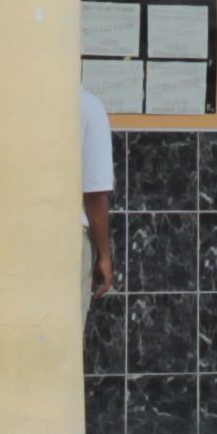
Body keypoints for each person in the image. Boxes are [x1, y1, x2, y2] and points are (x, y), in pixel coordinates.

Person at [77, 82, 119, 296]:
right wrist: (104, 255)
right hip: (71, 242)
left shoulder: (21, 100)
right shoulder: (88, 106)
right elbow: (95, 193)